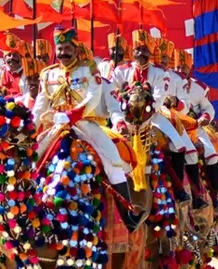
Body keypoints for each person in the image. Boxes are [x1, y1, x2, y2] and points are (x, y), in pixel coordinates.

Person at [31, 25, 139, 227]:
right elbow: (39, 109)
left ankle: (129, 215)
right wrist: (29, 130)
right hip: (55, 128)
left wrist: (71, 115)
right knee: (32, 160)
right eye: (60, 48)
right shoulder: (48, 75)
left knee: (113, 162)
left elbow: (92, 98)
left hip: (85, 125)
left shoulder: (89, 70)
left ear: (75, 48)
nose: (63, 53)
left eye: (67, 48)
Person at [109, 29, 207, 209]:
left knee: (177, 143)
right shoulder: (121, 70)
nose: (140, 53)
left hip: (153, 115)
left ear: (150, 52)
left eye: (145, 50)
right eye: (138, 49)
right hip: (124, 117)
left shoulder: (160, 72)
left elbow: (159, 97)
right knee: (108, 143)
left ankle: (179, 190)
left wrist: (146, 110)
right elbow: (112, 91)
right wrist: (124, 102)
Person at [174, 49, 218, 211]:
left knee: (211, 155)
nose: (181, 71)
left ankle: (213, 199)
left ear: (190, 68)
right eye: (178, 67)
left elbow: (209, 109)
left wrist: (205, 117)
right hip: (175, 128)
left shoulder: (199, 88)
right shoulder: (169, 82)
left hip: (196, 129)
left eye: (184, 68)